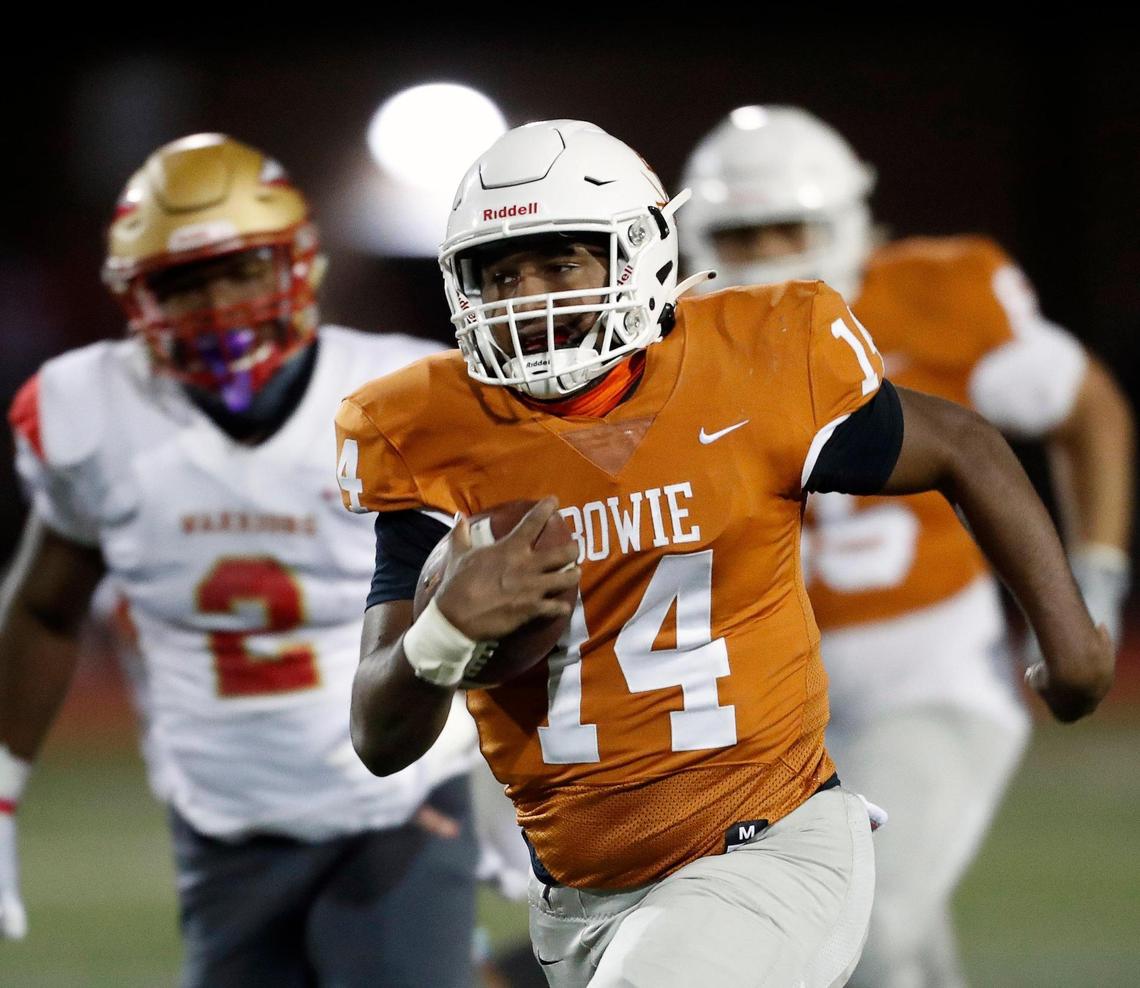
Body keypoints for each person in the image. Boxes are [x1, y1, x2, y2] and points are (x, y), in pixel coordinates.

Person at [335, 119, 1114, 988]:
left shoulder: (756, 360)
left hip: (769, 847)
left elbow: (965, 444)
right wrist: (440, 640)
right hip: (581, 894)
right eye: (501, 272)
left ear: (634, 254)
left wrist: (1072, 633)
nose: (529, 297)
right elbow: (377, 733)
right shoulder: (424, 432)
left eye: (562, 263)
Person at [0, 133, 482, 987]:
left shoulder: (410, 395)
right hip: (221, 827)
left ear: (297, 266)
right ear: (135, 297)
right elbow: (44, 607)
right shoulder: (90, 411)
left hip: (396, 809)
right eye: (184, 283)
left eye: (242, 270)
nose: (219, 304)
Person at [680, 105, 1134, 987]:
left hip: (923, 675)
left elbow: (1088, 410)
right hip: (755, 705)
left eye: (791, 227)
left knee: (862, 927)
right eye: (742, 232)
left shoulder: (938, 298)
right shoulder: (677, 343)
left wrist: (1096, 579)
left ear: (846, 223)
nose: (771, 252)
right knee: (895, 951)